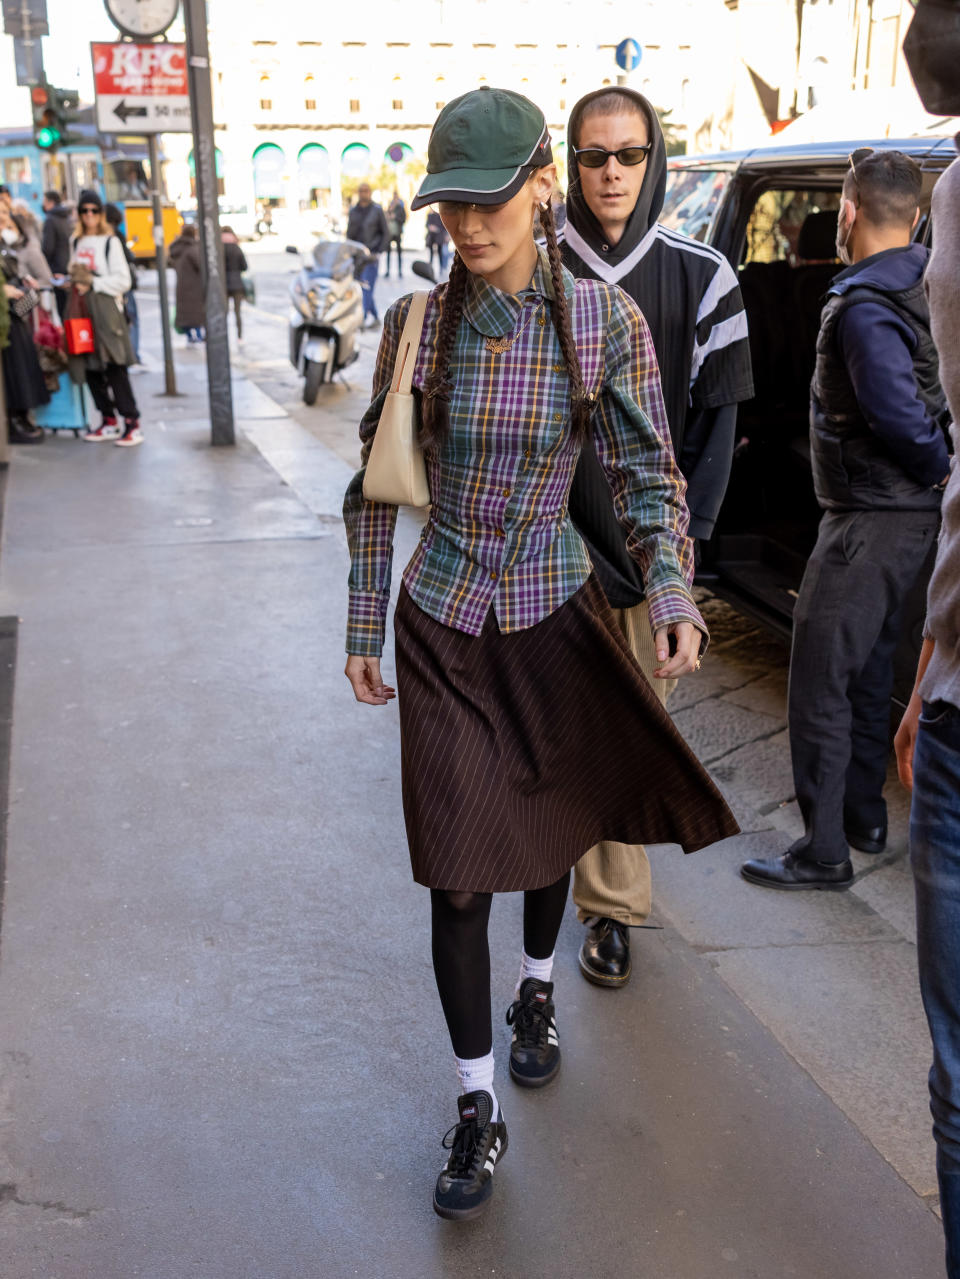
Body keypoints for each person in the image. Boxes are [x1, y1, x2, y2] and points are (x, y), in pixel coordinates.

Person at [342, 87, 738, 1222]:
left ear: (539, 189)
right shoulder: (419, 325)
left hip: (557, 611)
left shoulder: (600, 323)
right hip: (444, 627)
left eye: (490, 199)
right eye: (451, 204)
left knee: (552, 831)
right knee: (461, 873)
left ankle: (536, 989)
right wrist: (364, 624)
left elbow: (651, 473)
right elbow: (374, 489)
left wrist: (672, 594)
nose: (469, 225)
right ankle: (476, 1107)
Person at [560, 86, 754, 986]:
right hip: (539, 558)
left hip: (646, 563)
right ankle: (544, 885)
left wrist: (689, 561)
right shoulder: (532, 269)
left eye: (628, 155)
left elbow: (714, 434)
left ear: (655, 158)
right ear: (570, 162)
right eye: (594, 156)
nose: (610, 173)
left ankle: (608, 908)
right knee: (545, 738)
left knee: (619, 736)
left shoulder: (701, 276)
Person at [741, 149, 950, 892]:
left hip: (869, 519)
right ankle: (862, 816)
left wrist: (936, 462)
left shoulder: (863, 306)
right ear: (918, 217)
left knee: (821, 680)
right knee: (866, 674)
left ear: (850, 213)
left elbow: (901, 416)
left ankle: (822, 849)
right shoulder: (926, 284)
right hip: (911, 521)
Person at [68, 188, 141, 447]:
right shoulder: (76, 241)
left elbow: (124, 280)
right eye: (84, 210)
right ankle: (108, 419)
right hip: (81, 309)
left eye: (94, 210)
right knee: (89, 365)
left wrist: (94, 282)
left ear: (100, 214)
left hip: (107, 310)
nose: (89, 215)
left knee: (114, 365)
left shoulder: (110, 242)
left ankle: (131, 422)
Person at [1, 203, 49, 442]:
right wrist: (4, 291)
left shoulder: (10, 247)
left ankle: (20, 417)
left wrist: (23, 286)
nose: (3, 220)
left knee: (20, 370)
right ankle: (14, 421)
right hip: (6, 320)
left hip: (13, 318)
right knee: (13, 372)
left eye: (5, 216)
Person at [346, 183, 388, 327]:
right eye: (361, 191)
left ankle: (361, 319)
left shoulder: (377, 210)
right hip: (357, 258)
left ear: (370, 193)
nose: (364, 193)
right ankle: (376, 317)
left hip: (371, 257)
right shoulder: (353, 211)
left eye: (366, 191)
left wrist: (379, 251)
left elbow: (385, 233)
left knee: (366, 287)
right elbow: (349, 234)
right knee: (361, 287)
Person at [104, 203, 140, 365]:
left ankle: (131, 355)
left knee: (129, 319)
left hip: (122, 286)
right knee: (129, 319)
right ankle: (131, 355)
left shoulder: (113, 236)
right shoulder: (115, 235)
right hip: (122, 287)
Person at [168, 223, 205, 344]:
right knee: (196, 311)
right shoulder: (192, 248)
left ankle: (190, 335)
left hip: (182, 284)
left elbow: (170, 262)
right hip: (194, 285)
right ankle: (198, 335)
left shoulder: (176, 248)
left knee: (185, 312)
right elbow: (200, 265)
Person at [221, 226, 248, 339]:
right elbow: (245, 266)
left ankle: (223, 336)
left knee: (224, 312)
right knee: (237, 313)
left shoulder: (219, 248)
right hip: (237, 284)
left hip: (224, 284)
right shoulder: (237, 248)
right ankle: (240, 337)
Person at [385, 190, 406, 278]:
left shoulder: (401, 208)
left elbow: (403, 219)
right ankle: (388, 271)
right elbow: (385, 218)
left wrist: (396, 217)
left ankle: (400, 271)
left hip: (397, 233)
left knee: (399, 252)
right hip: (390, 233)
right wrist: (389, 213)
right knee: (388, 253)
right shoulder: (390, 207)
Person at [425, 208, 450, 274]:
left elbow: (443, 226)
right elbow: (427, 224)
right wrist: (430, 227)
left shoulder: (440, 216)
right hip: (431, 237)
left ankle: (441, 267)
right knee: (431, 253)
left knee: (440, 253)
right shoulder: (430, 215)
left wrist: (436, 229)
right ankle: (430, 267)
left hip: (439, 237)